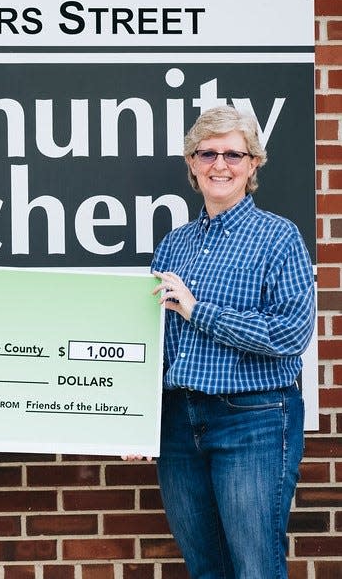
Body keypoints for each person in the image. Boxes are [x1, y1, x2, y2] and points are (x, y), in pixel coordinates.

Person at [141, 105, 315, 578]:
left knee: (255, 568)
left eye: (233, 154)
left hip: (252, 420)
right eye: (208, 153)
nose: (221, 164)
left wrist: (200, 311)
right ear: (193, 164)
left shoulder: (279, 238)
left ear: (253, 163)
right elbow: (155, 342)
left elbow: (291, 332)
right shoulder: (174, 245)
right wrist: (133, 418)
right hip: (179, 424)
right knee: (205, 569)